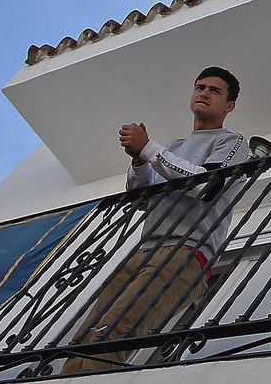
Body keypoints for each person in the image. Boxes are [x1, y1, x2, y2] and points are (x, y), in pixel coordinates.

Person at [63, 68, 246, 374]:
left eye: (215, 91)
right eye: (200, 87)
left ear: (229, 106)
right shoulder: (172, 147)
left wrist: (148, 149)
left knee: (118, 328)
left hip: (185, 252)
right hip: (146, 249)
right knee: (88, 333)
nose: (203, 93)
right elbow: (141, 198)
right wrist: (138, 161)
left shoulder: (232, 142)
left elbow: (207, 186)